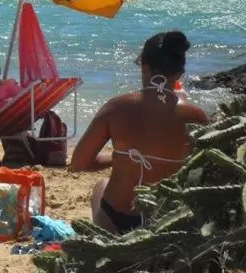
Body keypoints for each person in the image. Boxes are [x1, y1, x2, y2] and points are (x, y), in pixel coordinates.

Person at [69, 31, 208, 234]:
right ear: (179, 74)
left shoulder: (116, 107)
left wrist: (120, 157)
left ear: (145, 69)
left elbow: (79, 163)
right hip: (166, 222)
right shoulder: (196, 116)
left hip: (116, 221)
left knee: (102, 184)